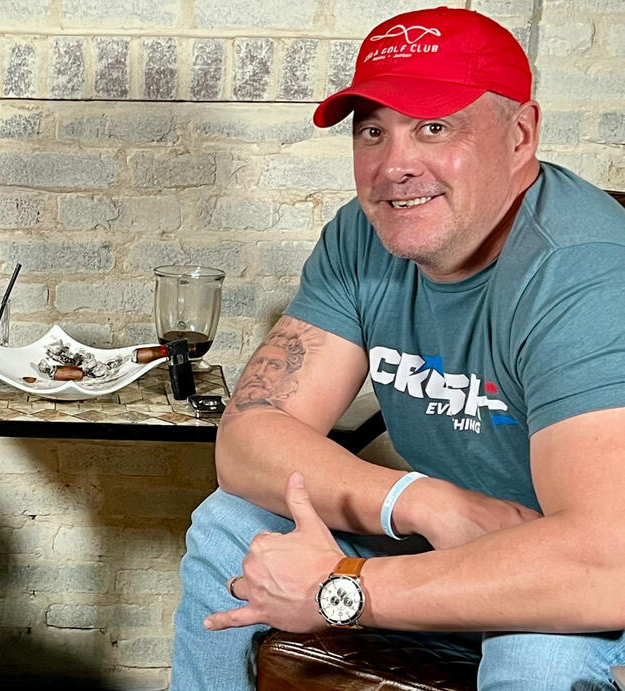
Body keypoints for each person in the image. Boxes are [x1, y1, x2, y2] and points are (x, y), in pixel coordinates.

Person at [171, 6, 625, 689]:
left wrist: (341, 587)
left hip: (578, 573)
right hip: (452, 540)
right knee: (230, 524)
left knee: (535, 652)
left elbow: (603, 562)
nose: (394, 166)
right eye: (373, 131)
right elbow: (248, 439)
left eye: (434, 127)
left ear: (520, 135)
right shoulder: (363, 236)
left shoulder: (582, 270)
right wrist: (422, 500)